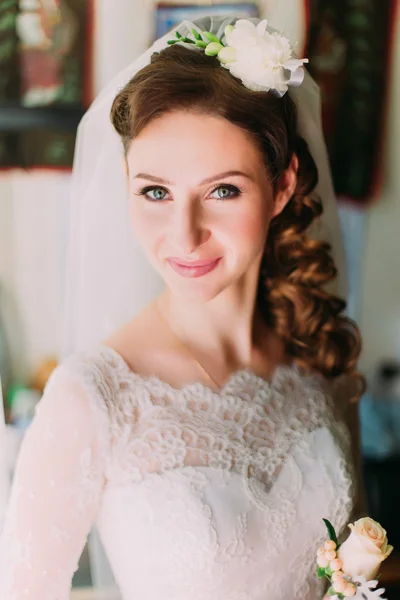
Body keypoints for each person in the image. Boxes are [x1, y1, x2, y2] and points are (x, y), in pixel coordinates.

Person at [0, 16, 365, 600]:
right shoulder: (93, 395)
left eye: (222, 190)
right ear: (125, 184)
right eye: (155, 192)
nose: (184, 234)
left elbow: (353, 572)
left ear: (283, 186)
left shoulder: (320, 357)